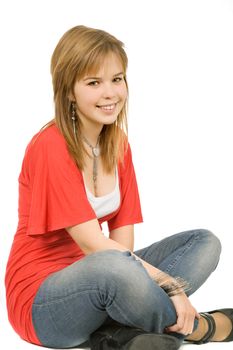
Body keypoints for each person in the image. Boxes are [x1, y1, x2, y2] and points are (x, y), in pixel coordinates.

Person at [5, 25, 233, 350]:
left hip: (107, 278)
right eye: (94, 83)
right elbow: (95, 247)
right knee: (114, 267)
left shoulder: (118, 146)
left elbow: (123, 245)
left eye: (117, 78)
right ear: (69, 90)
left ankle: (120, 336)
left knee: (204, 242)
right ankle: (197, 328)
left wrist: (153, 282)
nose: (110, 92)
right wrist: (170, 286)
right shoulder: (50, 146)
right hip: (41, 302)